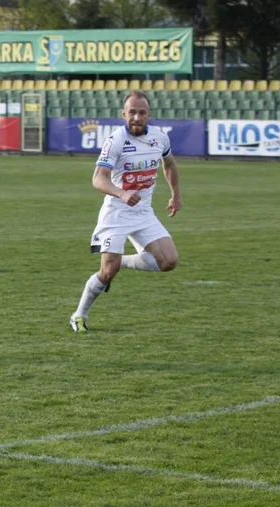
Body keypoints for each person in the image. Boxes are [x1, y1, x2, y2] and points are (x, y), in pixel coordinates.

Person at [70, 91, 182, 331]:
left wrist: (175, 195)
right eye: (132, 112)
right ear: (124, 114)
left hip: (143, 213)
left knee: (169, 261)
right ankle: (79, 315)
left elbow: (169, 164)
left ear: (149, 114)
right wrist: (121, 193)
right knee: (107, 272)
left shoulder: (160, 138)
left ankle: (123, 262)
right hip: (117, 214)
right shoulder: (116, 141)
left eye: (142, 112)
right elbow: (98, 179)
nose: (136, 117)